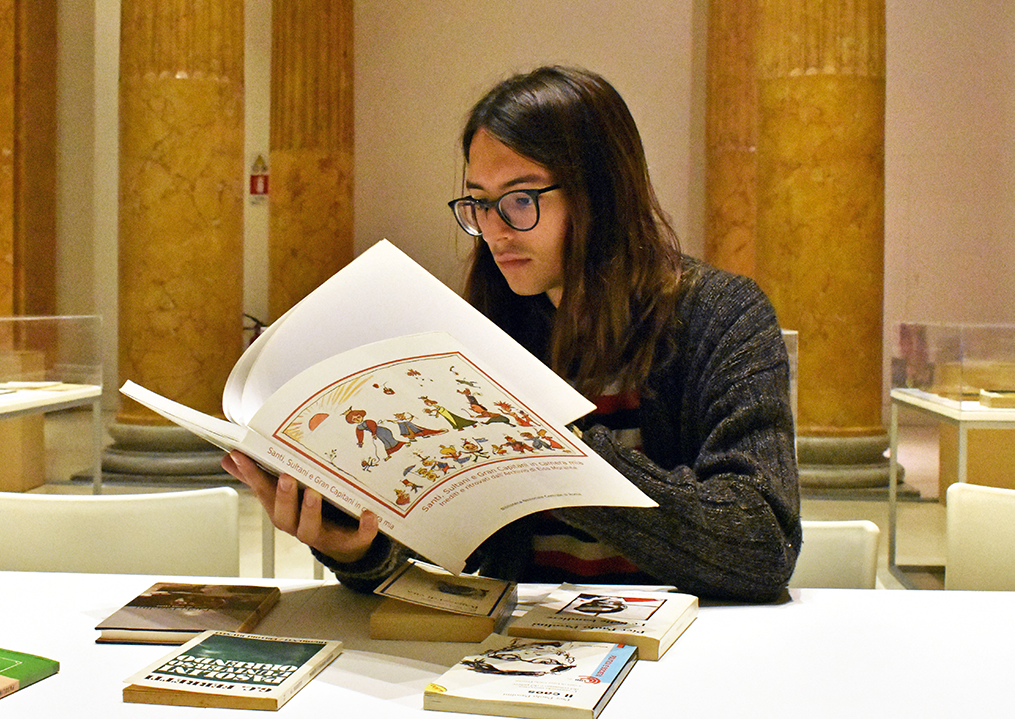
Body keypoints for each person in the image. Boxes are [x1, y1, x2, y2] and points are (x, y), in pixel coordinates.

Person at [222, 65, 801, 602]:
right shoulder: (488, 328)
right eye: (478, 203)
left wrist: (556, 449)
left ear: (602, 194)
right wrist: (358, 548)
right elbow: (454, 547)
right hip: (515, 648)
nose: (495, 231)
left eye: (520, 200)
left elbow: (761, 544)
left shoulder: (719, 314)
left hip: (684, 645)